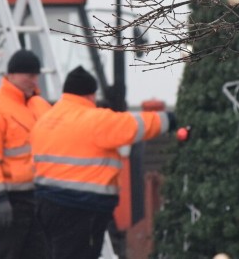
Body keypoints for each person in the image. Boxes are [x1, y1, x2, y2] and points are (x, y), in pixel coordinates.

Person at [31, 66, 176, 259]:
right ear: (91, 95)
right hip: (82, 209)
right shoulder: (95, 120)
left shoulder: (45, 120)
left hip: (46, 205)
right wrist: (170, 119)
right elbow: (136, 125)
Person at [0, 49, 52, 259]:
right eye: (29, 75)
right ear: (12, 75)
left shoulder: (40, 106)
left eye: (35, 75)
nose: (33, 80)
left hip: (39, 198)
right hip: (9, 200)